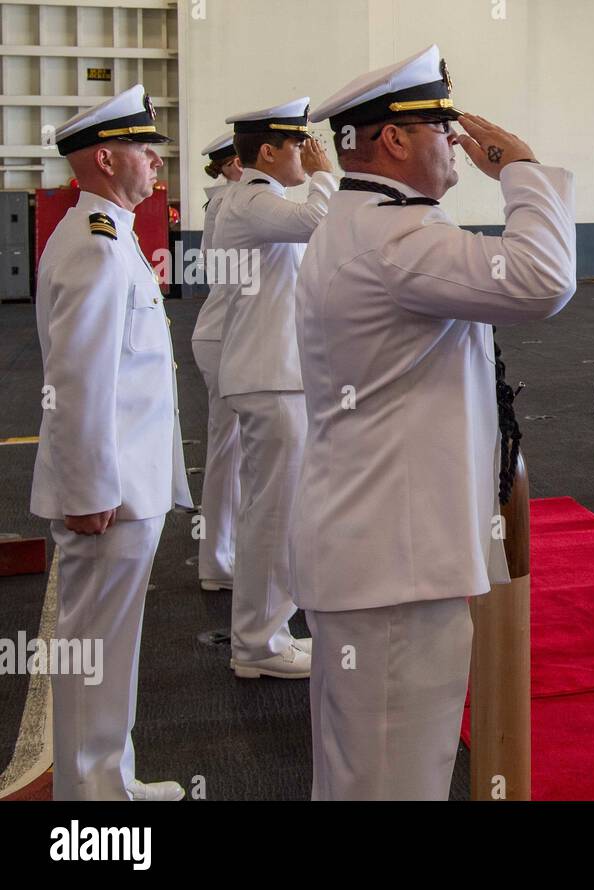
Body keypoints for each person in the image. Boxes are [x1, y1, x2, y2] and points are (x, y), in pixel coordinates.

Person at [293, 44, 576, 800]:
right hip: (393, 563)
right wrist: (521, 168)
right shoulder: (396, 236)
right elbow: (543, 281)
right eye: (442, 128)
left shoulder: (366, 222)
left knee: (360, 773)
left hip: (375, 549)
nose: (456, 142)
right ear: (393, 139)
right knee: (391, 780)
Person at [31, 84, 191, 800]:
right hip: (112, 493)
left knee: (105, 652)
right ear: (105, 156)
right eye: (144, 148)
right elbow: (79, 381)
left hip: (126, 483)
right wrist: (90, 490)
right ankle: (95, 800)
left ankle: (105, 782)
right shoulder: (96, 247)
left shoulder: (107, 232)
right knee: (96, 653)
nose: (157, 163)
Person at [214, 97, 336, 679]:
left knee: (276, 510)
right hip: (269, 376)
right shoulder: (254, 199)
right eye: (298, 144)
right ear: (268, 151)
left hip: (276, 375)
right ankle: (257, 644)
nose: (307, 152)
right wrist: (324, 175)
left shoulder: (259, 199)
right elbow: (318, 222)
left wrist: (312, 175)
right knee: (272, 513)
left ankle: (269, 630)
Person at [191, 132, 242, 592]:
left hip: (226, 335)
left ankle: (222, 556)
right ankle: (218, 561)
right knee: (229, 454)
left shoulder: (226, 203)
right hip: (228, 338)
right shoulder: (233, 204)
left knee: (232, 452)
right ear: (230, 165)